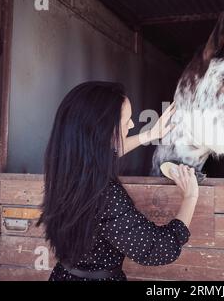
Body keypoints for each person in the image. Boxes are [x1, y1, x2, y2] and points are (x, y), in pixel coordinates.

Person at [37, 81, 199, 281]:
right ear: (103, 130)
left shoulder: (65, 169)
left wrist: (150, 135)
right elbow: (159, 249)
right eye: (126, 121)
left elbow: (99, 154)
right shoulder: (106, 196)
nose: (131, 125)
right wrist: (191, 197)